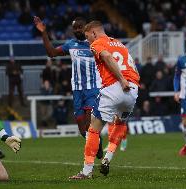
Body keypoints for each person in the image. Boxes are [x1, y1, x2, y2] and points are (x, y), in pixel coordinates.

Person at [69, 21, 140, 179]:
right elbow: (133, 67)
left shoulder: (97, 43)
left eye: (88, 37)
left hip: (115, 87)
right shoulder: (121, 44)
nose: (88, 42)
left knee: (93, 129)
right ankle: (107, 158)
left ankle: (86, 172)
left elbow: (107, 56)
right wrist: (129, 84)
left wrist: (121, 80)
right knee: (120, 124)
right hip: (133, 89)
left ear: (94, 33)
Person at [34, 16, 103, 159]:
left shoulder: (95, 44)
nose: (77, 29)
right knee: (82, 129)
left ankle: (93, 152)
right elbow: (51, 53)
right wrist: (44, 33)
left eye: (80, 27)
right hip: (77, 90)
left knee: (90, 125)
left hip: (93, 89)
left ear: (86, 28)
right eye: (75, 28)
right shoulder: (70, 44)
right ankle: (97, 141)